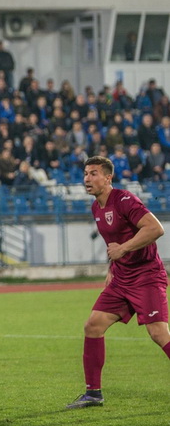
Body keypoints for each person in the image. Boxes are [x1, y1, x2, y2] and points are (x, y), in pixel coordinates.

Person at [66, 156, 168, 409]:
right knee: (93, 326)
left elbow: (155, 229)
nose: (87, 179)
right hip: (122, 278)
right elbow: (114, 243)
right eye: (86, 174)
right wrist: (113, 267)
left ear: (108, 178)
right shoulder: (96, 208)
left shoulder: (124, 200)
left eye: (93, 174)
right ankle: (93, 393)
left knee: (158, 333)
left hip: (146, 276)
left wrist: (123, 249)